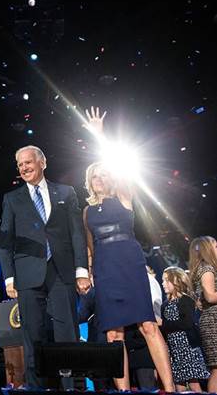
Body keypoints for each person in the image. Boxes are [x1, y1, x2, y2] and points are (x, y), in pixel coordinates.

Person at [82, 106, 174, 391]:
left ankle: (169, 389)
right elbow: (89, 246)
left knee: (148, 325)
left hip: (129, 262)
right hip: (105, 269)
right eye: (95, 176)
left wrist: (100, 136)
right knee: (113, 334)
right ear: (89, 181)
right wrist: (90, 272)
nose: (100, 178)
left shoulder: (123, 195)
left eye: (104, 174)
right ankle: (122, 391)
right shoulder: (86, 211)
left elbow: (119, 167)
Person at [0, 145, 91, 389]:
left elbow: (77, 234)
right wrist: (9, 278)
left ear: (43, 163)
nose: (24, 168)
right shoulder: (12, 199)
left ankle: (70, 387)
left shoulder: (66, 192)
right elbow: (5, 243)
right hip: (27, 275)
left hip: (62, 271)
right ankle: (36, 388)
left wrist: (82, 271)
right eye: (20, 164)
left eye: (28, 162)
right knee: (33, 336)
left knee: (66, 333)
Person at [161, 266, 209, 391]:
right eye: (162, 280)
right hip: (174, 349)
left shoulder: (185, 300)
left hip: (187, 347)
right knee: (179, 383)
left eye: (166, 280)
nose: (163, 283)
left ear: (176, 281)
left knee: (193, 382)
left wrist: (164, 325)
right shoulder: (165, 304)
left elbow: (186, 323)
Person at [189, 236, 217, 392]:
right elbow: (210, 296)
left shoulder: (202, 268)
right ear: (208, 248)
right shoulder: (207, 269)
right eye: (216, 245)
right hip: (214, 322)